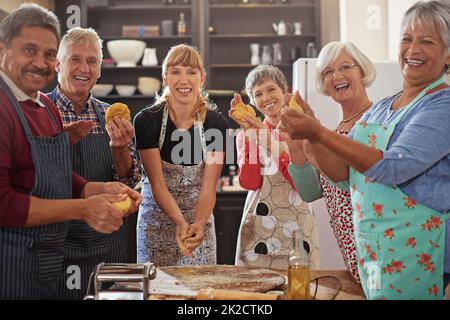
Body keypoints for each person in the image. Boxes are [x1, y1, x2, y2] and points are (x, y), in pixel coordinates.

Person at [279, 0, 450, 299]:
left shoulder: (442, 105)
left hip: (420, 254)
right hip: (375, 252)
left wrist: (316, 131)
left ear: (448, 53)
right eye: (407, 39)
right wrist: (311, 134)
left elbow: (391, 168)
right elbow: (341, 174)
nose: (413, 50)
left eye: (427, 41)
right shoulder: (383, 108)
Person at [0, 4, 141, 299]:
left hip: (53, 257)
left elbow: (59, 175)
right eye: (29, 50)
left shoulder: (43, 106)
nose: (40, 62)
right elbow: (4, 203)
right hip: (16, 260)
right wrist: (84, 207)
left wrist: (98, 188)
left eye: (47, 54)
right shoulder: (5, 108)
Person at [47, 27, 141, 300]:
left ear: (99, 69)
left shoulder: (109, 115)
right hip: (57, 243)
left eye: (92, 61)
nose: (83, 68)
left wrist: (119, 148)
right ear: (58, 64)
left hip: (107, 241)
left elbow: (127, 181)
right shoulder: (41, 113)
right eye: (75, 59)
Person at [286, 41, 376, 282]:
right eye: (328, 71)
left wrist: (314, 133)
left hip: (377, 245)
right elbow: (310, 191)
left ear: (362, 71)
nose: (337, 76)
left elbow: (352, 182)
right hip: (351, 252)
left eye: (345, 66)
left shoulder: (375, 121)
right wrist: (296, 147)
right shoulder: (336, 130)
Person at [134, 44, 228, 266]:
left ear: (201, 78)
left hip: (199, 224)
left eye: (191, 72)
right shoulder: (147, 121)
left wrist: (199, 223)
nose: (183, 80)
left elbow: (208, 186)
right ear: (165, 77)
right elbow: (157, 183)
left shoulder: (216, 124)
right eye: (175, 71)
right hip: (155, 223)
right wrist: (178, 221)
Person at [229, 65, 319, 270]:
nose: (266, 97)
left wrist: (268, 140)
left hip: (298, 225)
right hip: (260, 226)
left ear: (284, 91)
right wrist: (252, 135)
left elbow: (300, 184)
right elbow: (250, 182)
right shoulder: (245, 135)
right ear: (253, 102)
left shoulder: (301, 130)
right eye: (258, 94)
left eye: (271, 89)